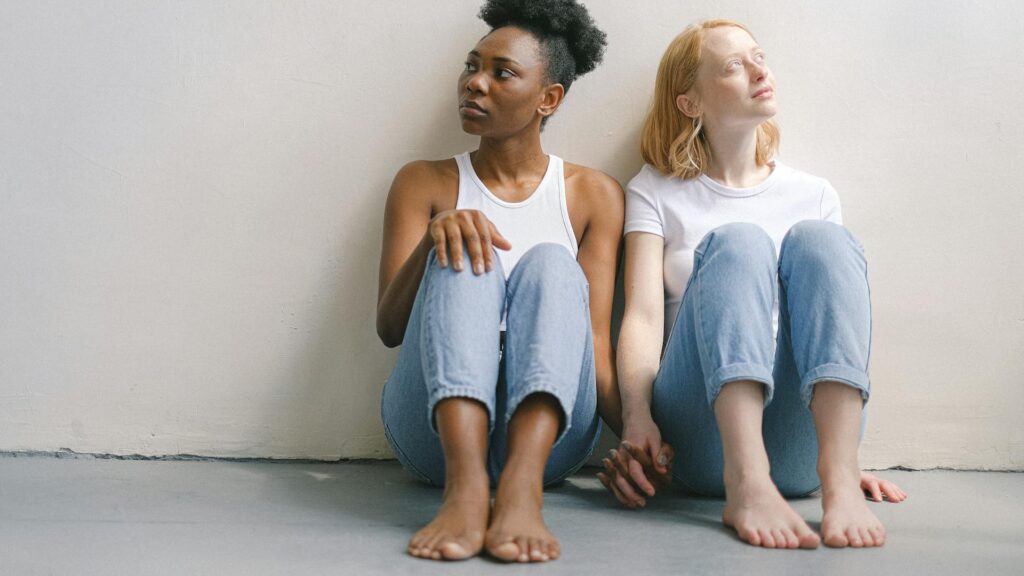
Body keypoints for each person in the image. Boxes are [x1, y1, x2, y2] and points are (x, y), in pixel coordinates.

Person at [599, 19, 907, 549]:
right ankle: (747, 482)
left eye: (759, 57)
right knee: (739, 242)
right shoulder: (654, 191)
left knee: (823, 241)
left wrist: (847, 458)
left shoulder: (814, 194)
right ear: (690, 102)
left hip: (798, 444)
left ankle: (839, 476)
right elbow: (644, 316)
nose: (760, 71)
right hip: (702, 441)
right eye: (734, 66)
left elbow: (834, 324)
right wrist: (637, 418)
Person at [376, 0, 622, 563]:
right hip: (431, 437)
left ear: (548, 98)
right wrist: (435, 238)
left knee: (551, 262)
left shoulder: (593, 195)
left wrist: (637, 435)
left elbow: (594, 342)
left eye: (502, 72)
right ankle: (463, 492)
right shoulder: (423, 181)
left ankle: (521, 489)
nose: (475, 83)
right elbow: (390, 330)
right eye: (472, 66)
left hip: (552, 443)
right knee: (463, 242)